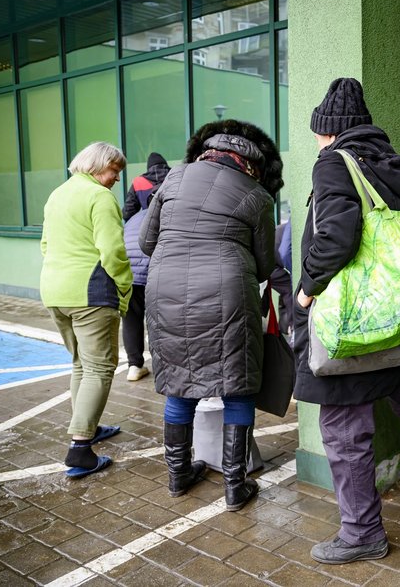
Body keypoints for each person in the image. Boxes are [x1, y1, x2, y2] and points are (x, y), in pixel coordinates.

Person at [294, 77, 400, 565]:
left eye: (318, 132)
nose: (317, 141)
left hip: (355, 322)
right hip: (399, 317)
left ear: (330, 131)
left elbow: (338, 236)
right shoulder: (395, 164)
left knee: (346, 435)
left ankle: (362, 532)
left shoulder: (333, 163)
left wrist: (306, 292)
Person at [140, 120, 282, 509]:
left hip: (165, 289)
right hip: (229, 292)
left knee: (178, 380)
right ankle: (235, 486)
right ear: (251, 164)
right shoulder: (256, 196)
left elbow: (146, 242)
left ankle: (177, 477)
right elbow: (266, 265)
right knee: (237, 382)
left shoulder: (174, 178)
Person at [40, 141, 132, 479]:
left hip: (54, 290)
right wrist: (125, 283)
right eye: (114, 171)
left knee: (81, 363)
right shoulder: (99, 197)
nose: (116, 179)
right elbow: (111, 250)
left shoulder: (57, 194)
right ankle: (80, 448)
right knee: (99, 368)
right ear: (98, 166)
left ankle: (87, 429)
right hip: (91, 293)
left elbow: (45, 245)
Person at [121, 152, 171, 382]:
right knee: (159, 315)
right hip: (157, 263)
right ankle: (163, 365)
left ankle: (134, 365)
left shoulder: (138, 183)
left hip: (130, 265)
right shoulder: (174, 178)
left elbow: (126, 212)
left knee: (131, 316)